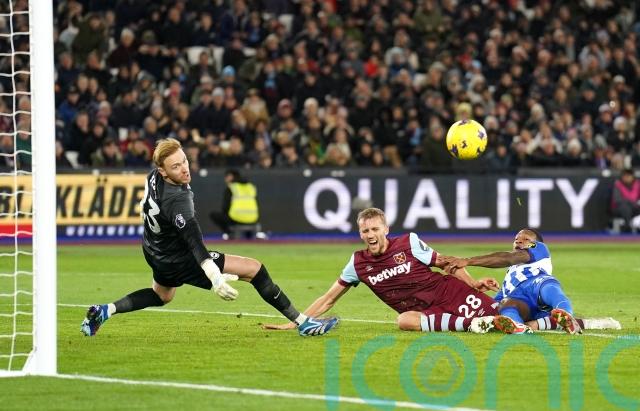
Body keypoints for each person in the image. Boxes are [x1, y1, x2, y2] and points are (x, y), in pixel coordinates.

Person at [81, 138, 337, 337]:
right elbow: (195, 242)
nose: (184, 169)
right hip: (178, 257)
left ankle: (105, 310)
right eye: (176, 166)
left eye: (184, 161)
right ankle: (303, 323)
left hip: (153, 250)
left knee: (162, 296)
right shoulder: (178, 201)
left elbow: (145, 204)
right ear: (163, 171)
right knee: (255, 269)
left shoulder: (153, 176)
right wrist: (214, 277)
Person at [266, 207, 503, 334]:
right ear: (360, 234)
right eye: (365, 231)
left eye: (375, 229)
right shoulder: (357, 264)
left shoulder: (408, 243)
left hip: (450, 294)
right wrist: (296, 321)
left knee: (506, 316)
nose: (370, 235)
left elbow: (445, 263)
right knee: (404, 321)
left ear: (386, 229)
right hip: (423, 313)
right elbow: (328, 299)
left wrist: (472, 283)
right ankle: (471, 324)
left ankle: (489, 319)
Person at [445, 228, 602, 334]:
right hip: (524, 304)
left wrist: (468, 261)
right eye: (516, 239)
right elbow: (496, 301)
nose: (519, 241)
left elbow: (508, 257)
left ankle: (566, 314)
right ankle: (519, 327)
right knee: (505, 304)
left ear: (536, 243)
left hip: (536, 288)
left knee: (546, 284)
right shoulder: (510, 275)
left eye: (526, 239)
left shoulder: (539, 249)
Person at [209, 168, 265, 240]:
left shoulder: (231, 187)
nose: (225, 179)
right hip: (253, 220)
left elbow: (225, 207)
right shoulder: (251, 187)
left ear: (231, 177)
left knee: (214, 215)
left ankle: (229, 233)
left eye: (226, 177)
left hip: (236, 220)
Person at [610, 168, 640, 233]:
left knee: (629, 207)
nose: (627, 178)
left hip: (634, 207)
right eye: (625, 176)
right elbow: (617, 200)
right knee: (625, 206)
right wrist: (630, 202)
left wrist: (633, 203)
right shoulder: (618, 185)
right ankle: (628, 226)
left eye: (628, 176)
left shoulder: (638, 185)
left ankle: (635, 226)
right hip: (619, 208)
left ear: (632, 177)